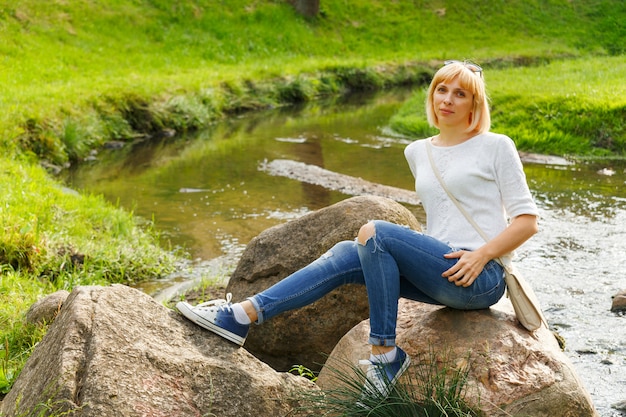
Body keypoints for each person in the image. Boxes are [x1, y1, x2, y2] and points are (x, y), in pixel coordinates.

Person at [176, 60, 539, 399]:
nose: (448, 99)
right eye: (442, 90)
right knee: (347, 253)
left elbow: (527, 221)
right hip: (440, 266)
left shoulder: (495, 146)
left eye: (460, 94)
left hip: (481, 277)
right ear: (431, 95)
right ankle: (242, 315)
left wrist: (482, 254)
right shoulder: (418, 151)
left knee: (375, 232)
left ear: (475, 104)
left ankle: (384, 355)